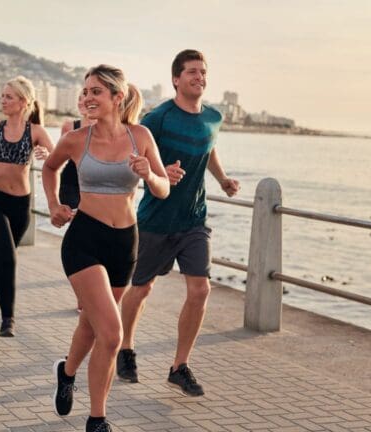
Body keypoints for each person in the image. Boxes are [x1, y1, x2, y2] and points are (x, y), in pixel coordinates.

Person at [43, 65, 169, 432]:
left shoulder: (140, 136)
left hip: (124, 244)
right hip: (84, 240)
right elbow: (49, 169)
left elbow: (163, 188)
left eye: (96, 91)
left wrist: (149, 174)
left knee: (92, 324)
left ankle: (66, 373)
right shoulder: (75, 139)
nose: (87, 98)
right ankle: (97, 419)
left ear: (118, 97)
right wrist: (53, 205)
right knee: (112, 334)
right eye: (85, 91)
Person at [117, 49, 241, 397]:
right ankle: (125, 349)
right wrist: (159, 172)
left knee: (201, 289)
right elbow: (134, 157)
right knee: (141, 289)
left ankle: (179, 366)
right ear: (176, 78)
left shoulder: (214, 117)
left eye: (203, 72)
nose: (199, 77)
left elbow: (209, 147)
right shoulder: (158, 118)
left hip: (193, 220)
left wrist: (223, 179)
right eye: (192, 72)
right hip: (156, 219)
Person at [0, 76, 53, 337]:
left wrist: (46, 155)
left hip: (20, 207)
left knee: (2, 257)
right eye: (2, 96)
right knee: (9, 257)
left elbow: (56, 159)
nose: (3, 100)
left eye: (9, 97)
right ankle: (8, 320)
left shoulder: (36, 132)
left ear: (23, 102)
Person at [59, 93, 96, 313]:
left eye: (87, 96)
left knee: (94, 240)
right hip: (72, 185)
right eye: (80, 97)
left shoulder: (105, 126)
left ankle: (91, 293)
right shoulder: (69, 126)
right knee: (81, 240)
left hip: (94, 187)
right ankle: (83, 296)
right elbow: (59, 157)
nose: (83, 101)